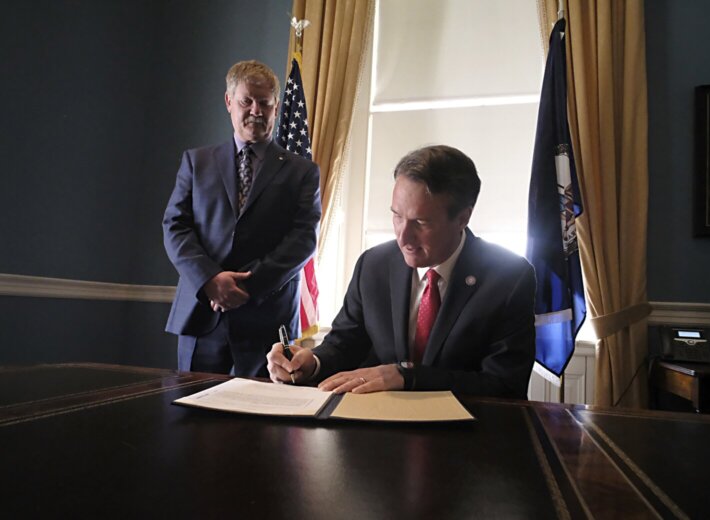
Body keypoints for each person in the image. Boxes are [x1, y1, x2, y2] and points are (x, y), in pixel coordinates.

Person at [267, 145, 536, 398]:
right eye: (397, 216)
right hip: (376, 426)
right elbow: (344, 344)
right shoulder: (373, 265)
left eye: (421, 222)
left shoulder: (509, 278)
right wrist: (312, 363)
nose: (403, 237)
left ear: (463, 218)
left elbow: (504, 385)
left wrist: (410, 377)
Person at [163, 60, 321, 377]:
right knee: (191, 405)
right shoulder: (197, 162)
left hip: (268, 320)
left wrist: (245, 287)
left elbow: (304, 239)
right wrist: (210, 280)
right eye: (246, 101)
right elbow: (175, 227)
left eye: (265, 102)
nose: (255, 111)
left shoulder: (302, 171)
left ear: (276, 107)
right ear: (229, 101)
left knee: (261, 408)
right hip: (202, 314)